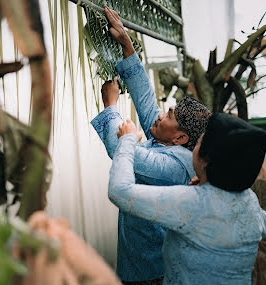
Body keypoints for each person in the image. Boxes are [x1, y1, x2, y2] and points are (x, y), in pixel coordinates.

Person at [90, 6, 210, 284]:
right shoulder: (168, 138)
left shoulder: (175, 165)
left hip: (152, 272)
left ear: (180, 138)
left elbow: (124, 153)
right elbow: (146, 102)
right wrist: (126, 45)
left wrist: (111, 106)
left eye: (170, 115)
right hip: (143, 264)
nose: (162, 112)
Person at [109, 114, 266, 284]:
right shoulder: (250, 202)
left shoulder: (194, 203)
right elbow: (264, 224)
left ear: (205, 160)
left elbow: (120, 191)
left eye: (198, 143)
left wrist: (127, 140)